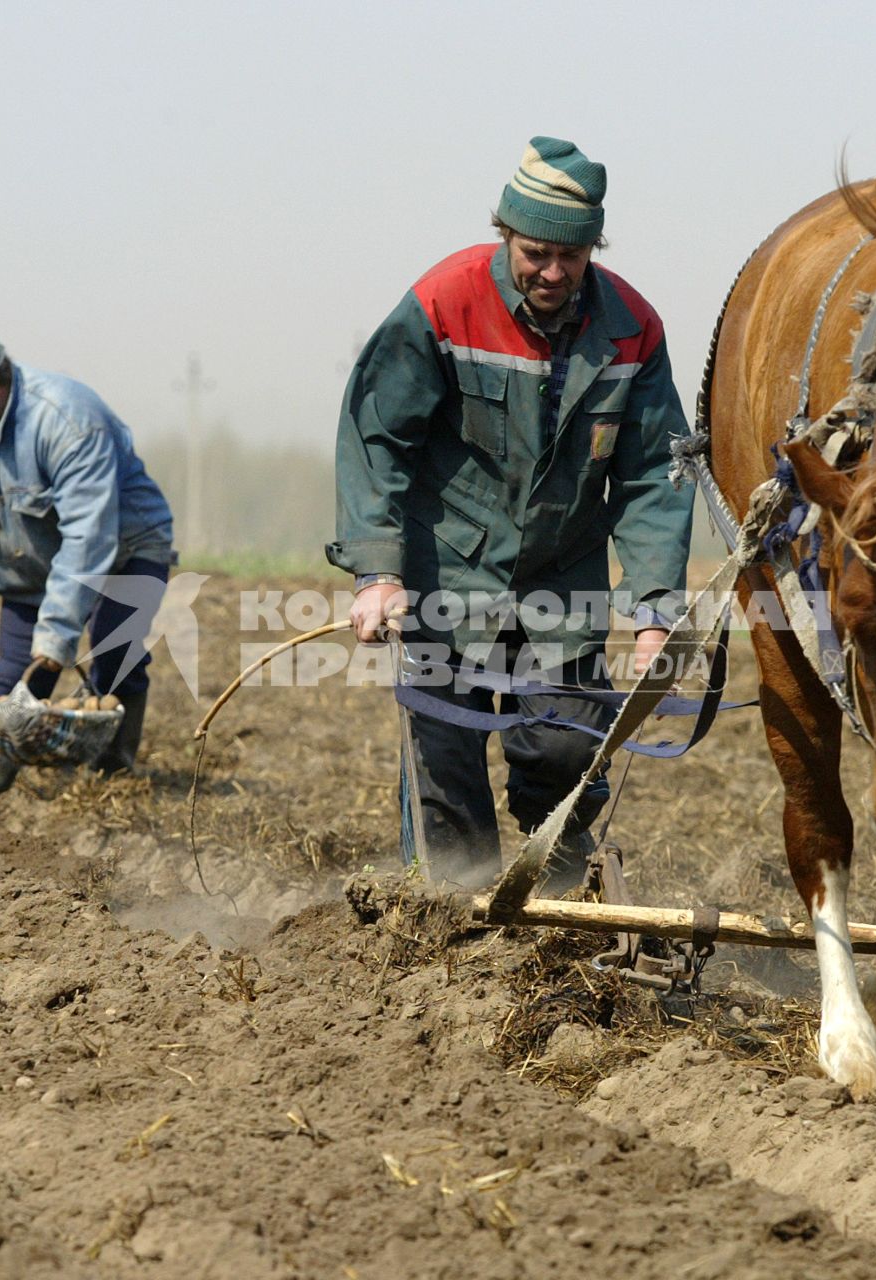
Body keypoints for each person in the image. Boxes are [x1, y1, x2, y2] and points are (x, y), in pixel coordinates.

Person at [327, 136, 693, 888]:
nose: (553, 272)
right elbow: (377, 436)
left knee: (564, 749)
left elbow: (655, 474)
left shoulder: (633, 329)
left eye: (572, 255)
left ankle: (550, 868)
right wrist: (376, 571)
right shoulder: (443, 302)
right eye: (536, 253)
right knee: (447, 764)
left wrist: (655, 613)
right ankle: (454, 931)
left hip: (563, 578)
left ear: (594, 247)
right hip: (445, 573)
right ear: (505, 233)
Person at [0, 312, 174, 821]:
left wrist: (54, 645)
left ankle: (113, 780)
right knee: (13, 681)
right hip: (28, 562)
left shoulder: (67, 420)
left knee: (112, 657)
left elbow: (89, 540)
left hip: (126, 550)